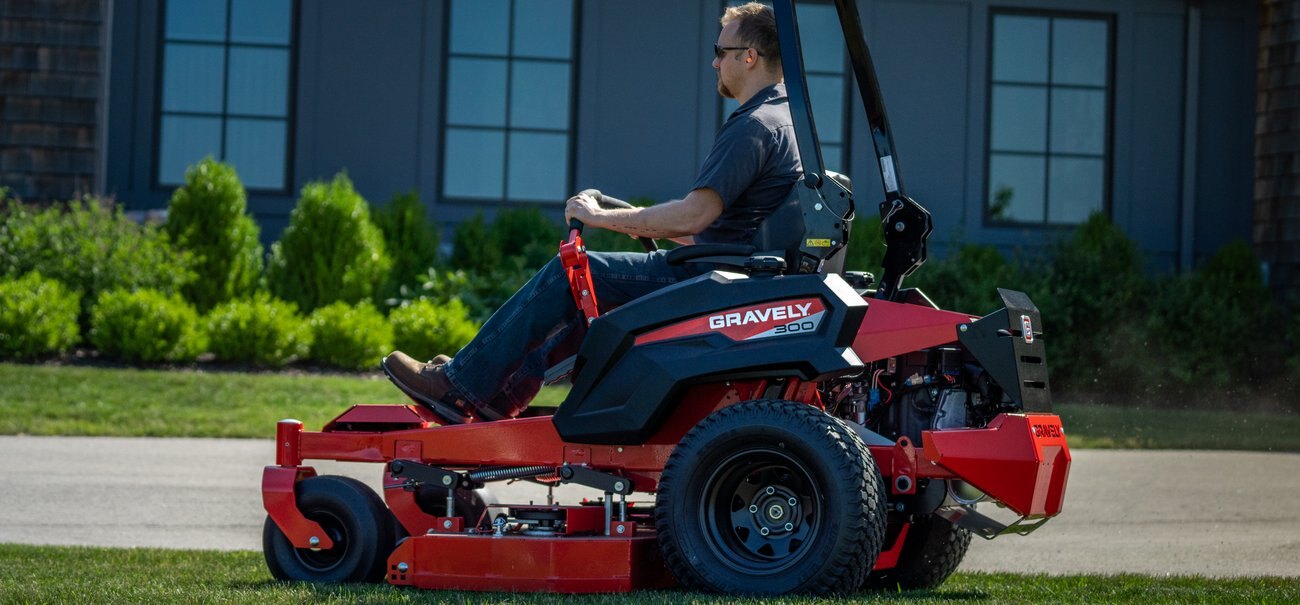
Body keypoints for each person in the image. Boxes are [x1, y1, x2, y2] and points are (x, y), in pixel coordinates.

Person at [384, 2, 802, 424]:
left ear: (748, 57)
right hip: (733, 274)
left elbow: (694, 216)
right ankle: (497, 396)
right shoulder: (787, 122)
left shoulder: (753, 126)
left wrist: (600, 218)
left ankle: (461, 385)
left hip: (709, 281)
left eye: (721, 50)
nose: (714, 62)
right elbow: (725, 231)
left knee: (569, 276)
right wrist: (630, 221)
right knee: (596, 296)